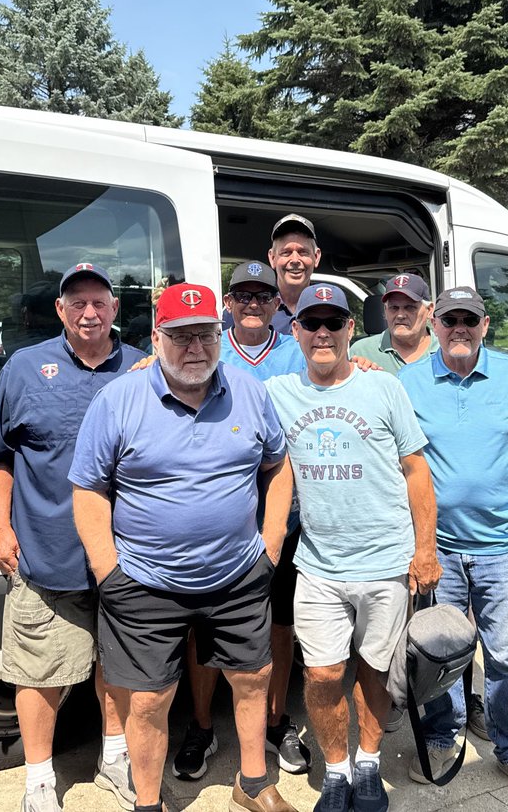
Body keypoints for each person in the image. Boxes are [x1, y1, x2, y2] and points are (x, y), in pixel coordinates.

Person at [70, 283, 297, 812]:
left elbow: (278, 465)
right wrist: (108, 570)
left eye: (205, 334)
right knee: (149, 701)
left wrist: (272, 543)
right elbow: (88, 489)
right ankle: (147, 803)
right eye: (179, 336)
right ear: (156, 337)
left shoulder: (248, 392)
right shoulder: (118, 400)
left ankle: (255, 785)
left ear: (220, 335)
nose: (195, 347)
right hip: (144, 581)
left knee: (252, 677)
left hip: (239, 574)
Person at [264, 284, 441, 812]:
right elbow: (204, 371)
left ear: (349, 331)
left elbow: (417, 471)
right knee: (321, 674)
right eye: (311, 323)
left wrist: (424, 551)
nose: (322, 333)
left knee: (374, 670)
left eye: (333, 323)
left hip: (386, 560)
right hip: (317, 563)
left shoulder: (383, 388)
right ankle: (335, 771)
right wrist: (152, 358)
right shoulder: (277, 391)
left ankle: (368, 764)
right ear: (293, 330)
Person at [0, 263, 146, 812]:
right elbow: (0, 456)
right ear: (60, 310)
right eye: (77, 303)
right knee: (38, 671)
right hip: (45, 551)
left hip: (129, 555)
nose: (89, 312)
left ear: (115, 308)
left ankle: (115, 759)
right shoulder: (25, 368)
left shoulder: (142, 367)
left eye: (99, 302)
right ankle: (38, 781)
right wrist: (0, 528)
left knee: (119, 664)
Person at [398, 286, 508, 802]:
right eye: (450, 320)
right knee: (441, 653)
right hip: (438, 547)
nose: (459, 329)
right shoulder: (409, 381)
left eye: (469, 319)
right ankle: (443, 737)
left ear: (485, 325)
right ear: (434, 325)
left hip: (502, 544)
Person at [171, 262, 311, 782]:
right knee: (203, 628)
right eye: (243, 294)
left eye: (264, 295)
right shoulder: (209, 346)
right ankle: (203, 726)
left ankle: (275, 723)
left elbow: (339, 368)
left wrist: (363, 366)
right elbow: (161, 368)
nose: (254, 302)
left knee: (278, 626)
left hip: (282, 519)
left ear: (279, 303)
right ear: (228, 302)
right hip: (218, 522)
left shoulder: (299, 347)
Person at [348, 274, 439, 374]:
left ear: (429, 310)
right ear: (385, 311)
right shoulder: (362, 351)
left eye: (410, 307)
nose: (400, 315)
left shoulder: (444, 349)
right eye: (394, 308)